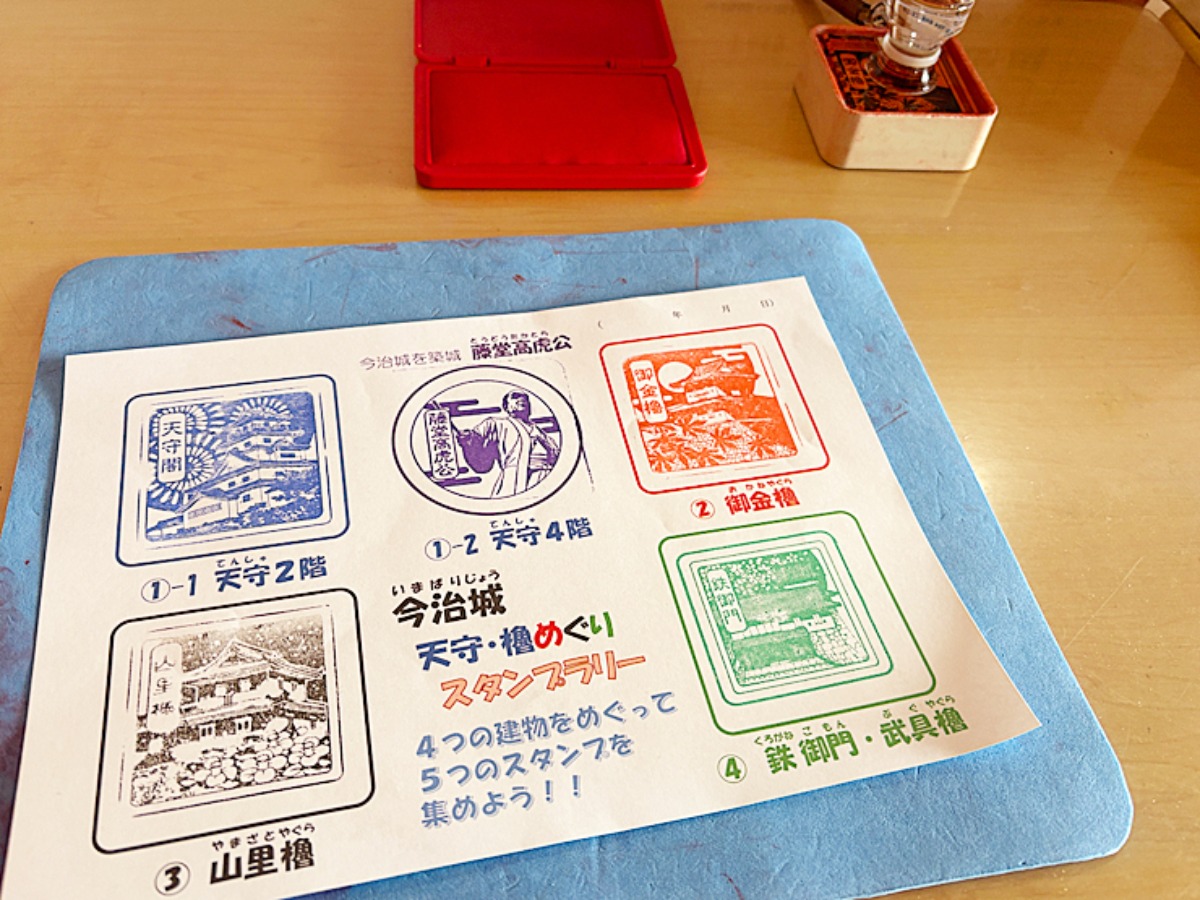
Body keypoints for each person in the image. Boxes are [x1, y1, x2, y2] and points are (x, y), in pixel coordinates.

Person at [458, 391, 560, 497]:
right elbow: (476, 439)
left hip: (545, 477)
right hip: (517, 477)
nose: (521, 399)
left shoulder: (539, 431)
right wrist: (468, 439)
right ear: (506, 407)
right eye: (515, 397)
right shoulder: (496, 423)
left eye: (525, 398)